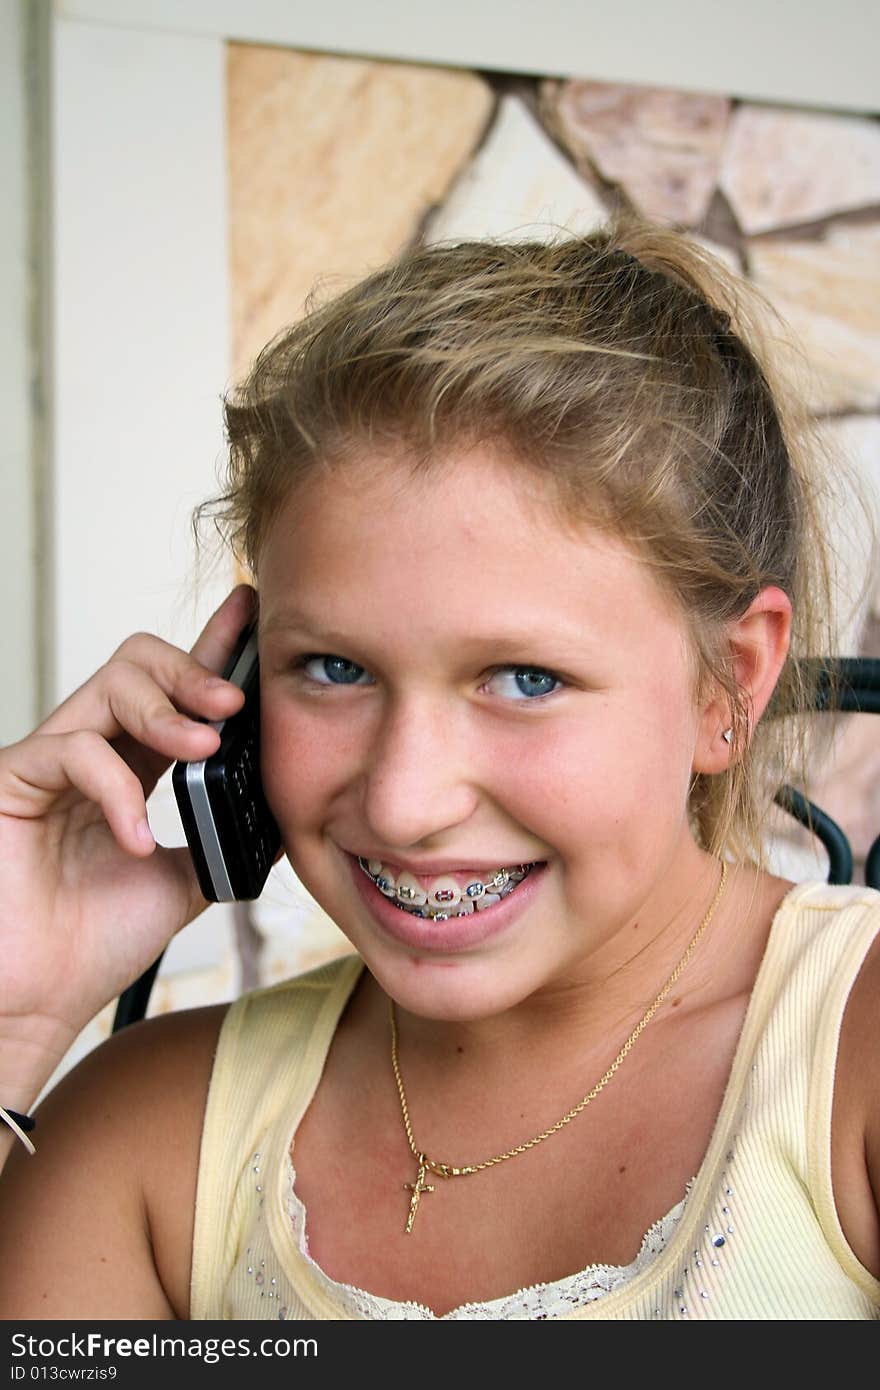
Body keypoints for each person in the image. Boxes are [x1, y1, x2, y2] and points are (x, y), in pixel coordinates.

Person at [1, 217, 878, 1322]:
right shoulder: (144, 1141)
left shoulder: (853, 1066)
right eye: (332, 667)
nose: (406, 801)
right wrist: (9, 1024)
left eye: (523, 679)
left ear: (726, 686)